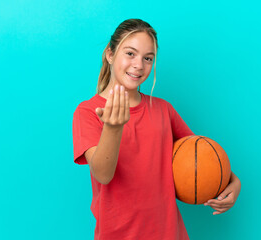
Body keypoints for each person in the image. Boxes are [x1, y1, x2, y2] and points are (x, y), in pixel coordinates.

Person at [73, 19, 241, 240]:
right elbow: (103, 174)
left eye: (148, 58)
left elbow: (201, 157)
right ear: (110, 54)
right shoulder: (87, 112)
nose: (139, 65)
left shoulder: (163, 110)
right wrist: (113, 128)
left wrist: (233, 182)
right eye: (130, 53)